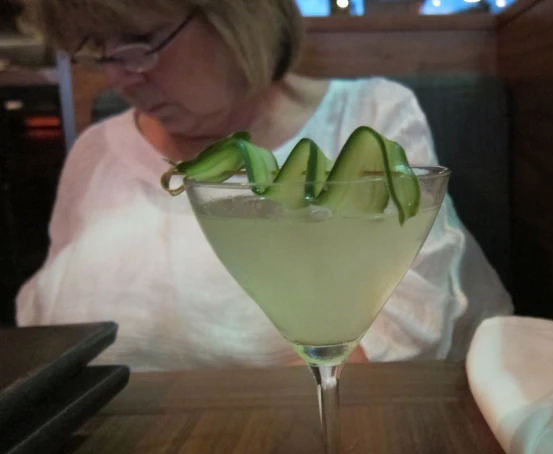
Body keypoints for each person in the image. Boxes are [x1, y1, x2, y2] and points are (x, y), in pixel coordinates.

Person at [15, 0, 513, 370]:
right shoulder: (95, 149)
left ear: (238, 14)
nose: (118, 78)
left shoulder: (371, 124)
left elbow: (403, 338)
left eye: (138, 42)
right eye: (97, 50)